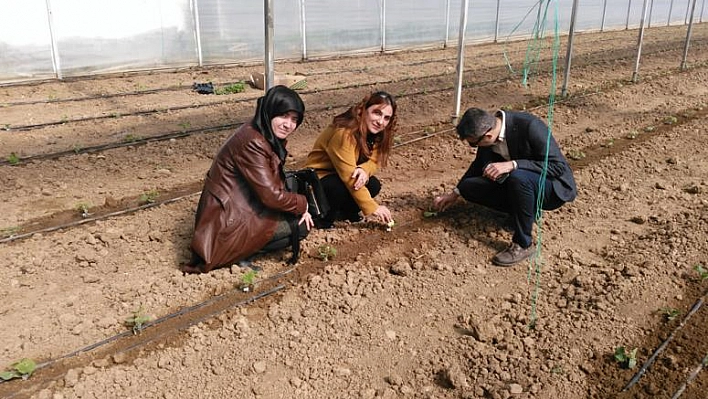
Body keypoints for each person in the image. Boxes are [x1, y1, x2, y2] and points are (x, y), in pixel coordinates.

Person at [182, 85, 314, 274]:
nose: (288, 124)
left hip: (238, 206)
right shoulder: (254, 142)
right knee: (300, 227)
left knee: (295, 210)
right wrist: (303, 205)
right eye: (283, 116)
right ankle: (237, 254)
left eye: (294, 119)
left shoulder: (260, 131)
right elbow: (270, 196)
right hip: (227, 220)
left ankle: (242, 249)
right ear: (270, 112)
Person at [433, 107, 577, 266]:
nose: (473, 147)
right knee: (469, 187)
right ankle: (521, 212)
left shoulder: (530, 126)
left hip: (551, 186)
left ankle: (523, 244)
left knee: (518, 177)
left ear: (487, 135)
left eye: (473, 144)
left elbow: (557, 167)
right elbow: (478, 164)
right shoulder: (488, 134)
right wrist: (454, 193)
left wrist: (513, 165)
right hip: (520, 183)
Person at [305, 91, 397, 228]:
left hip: (339, 175)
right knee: (339, 188)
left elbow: (375, 160)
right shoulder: (344, 133)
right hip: (317, 179)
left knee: (372, 184)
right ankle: (322, 218)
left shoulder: (376, 133)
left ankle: (345, 213)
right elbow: (349, 177)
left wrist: (364, 169)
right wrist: (373, 207)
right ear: (363, 110)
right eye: (377, 113)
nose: (380, 121)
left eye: (386, 118)